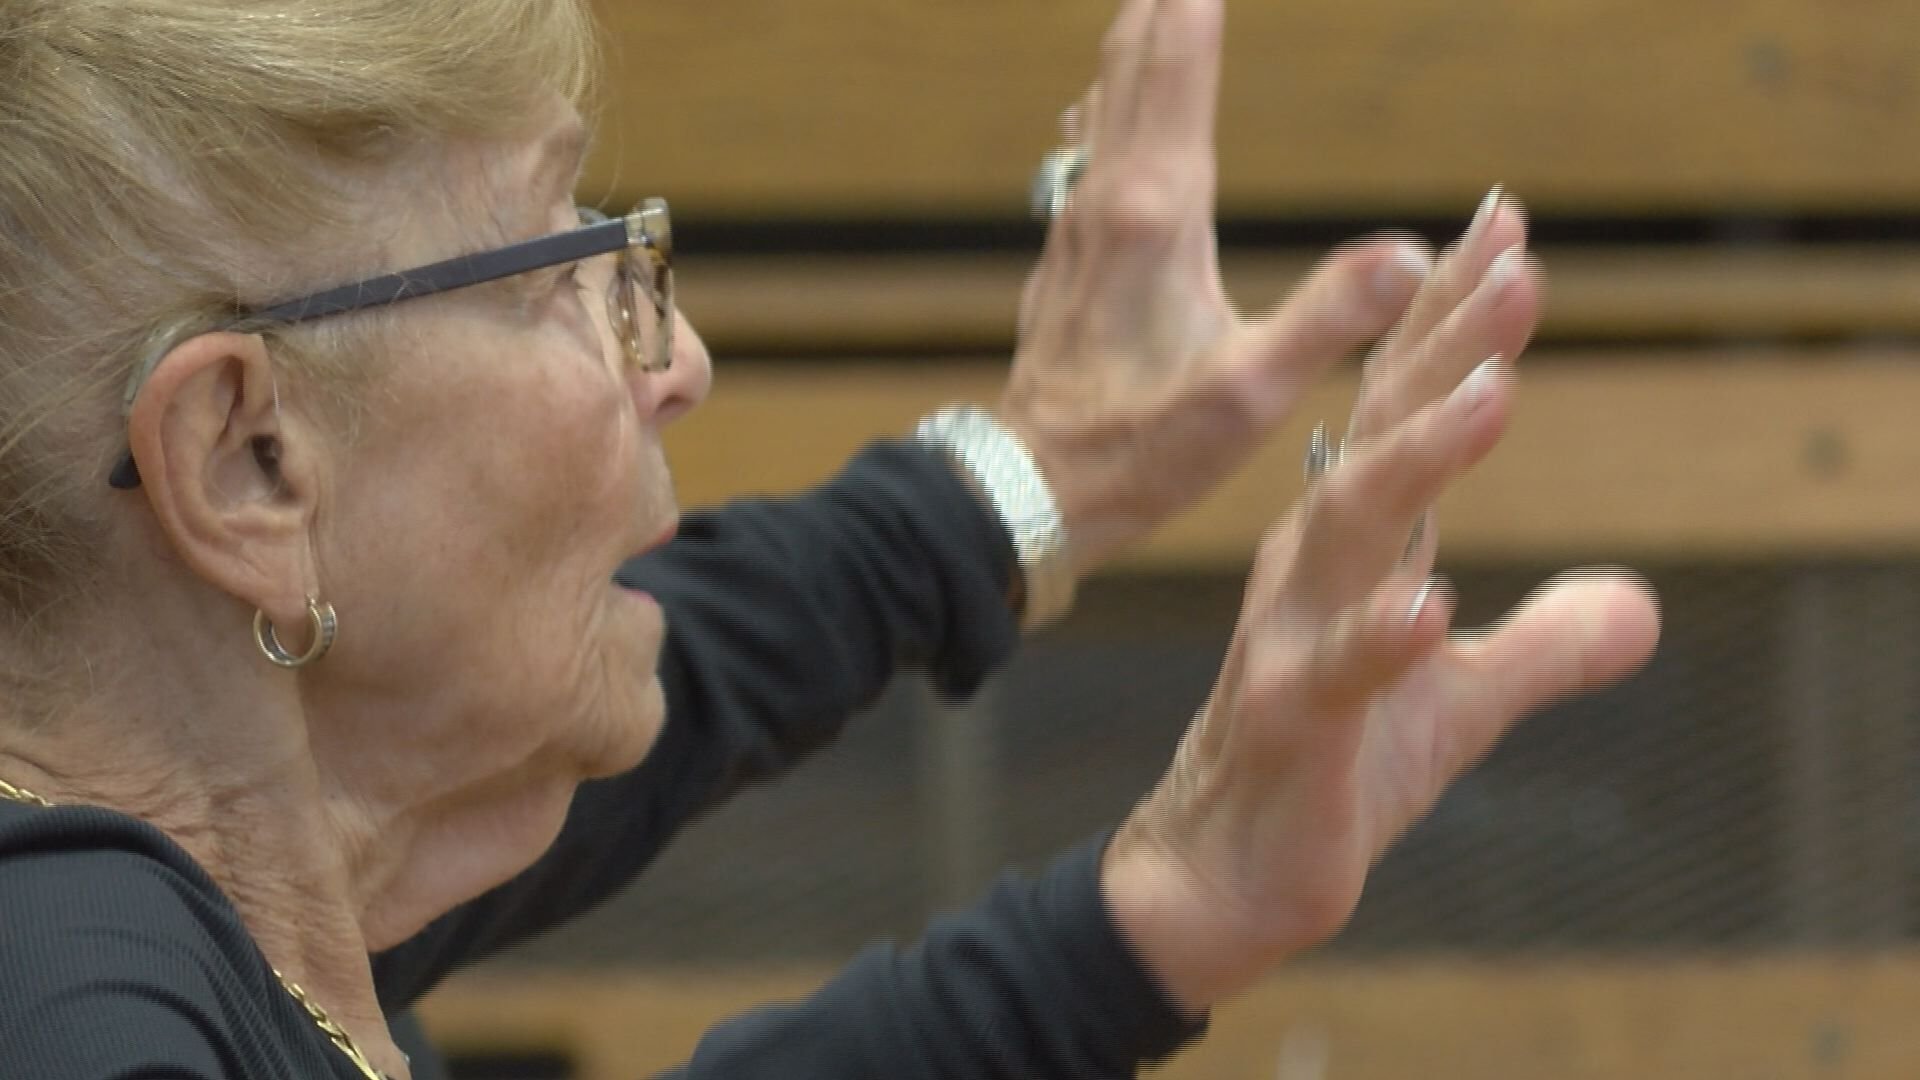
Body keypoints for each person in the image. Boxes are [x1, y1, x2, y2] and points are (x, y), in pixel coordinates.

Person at [0, 0, 1661, 1077]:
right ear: (249, 465)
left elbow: (707, 650)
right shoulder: (81, 1002)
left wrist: (1172, 900)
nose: (678, 357)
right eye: (562, 270)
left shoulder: (203, 907)